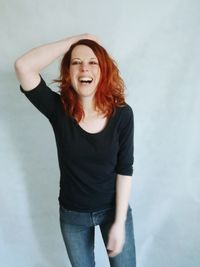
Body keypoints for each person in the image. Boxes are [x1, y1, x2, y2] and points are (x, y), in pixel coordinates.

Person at [14, 33, 136, 267]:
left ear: (103, 70)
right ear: (68, 73)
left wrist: (119, 222)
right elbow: (23, 66)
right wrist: (78, 40)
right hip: (74, 216)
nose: (84, 68)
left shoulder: (122, 114)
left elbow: (125, 169)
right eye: (76, 63)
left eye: (92, 62)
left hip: (113, 211)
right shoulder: (59, 110)